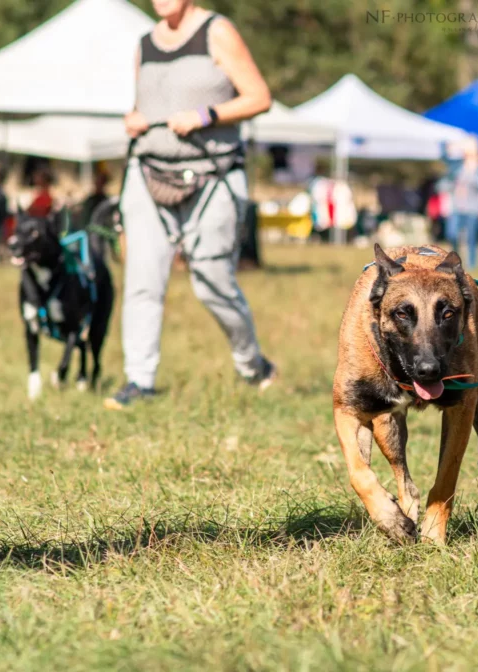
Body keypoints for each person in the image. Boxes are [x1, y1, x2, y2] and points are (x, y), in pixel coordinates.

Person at [105, 0, 274, 410]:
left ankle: (253, 365)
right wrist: (133, 117)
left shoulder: (217, 32)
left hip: (212, 175)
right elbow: (140, 103)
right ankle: (139, 380)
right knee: (143, 279)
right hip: (147, 173)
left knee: (211, 281)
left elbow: (259, 97)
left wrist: (205, 115)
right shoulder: (144, 42)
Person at [441, 137, 478, 270]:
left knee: (471, 238)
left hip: (473, 208)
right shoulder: (457, 164)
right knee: (452, 234)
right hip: (456, 207)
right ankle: (454, 261)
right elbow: (444, 154)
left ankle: (472, 265)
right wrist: (454, 144)